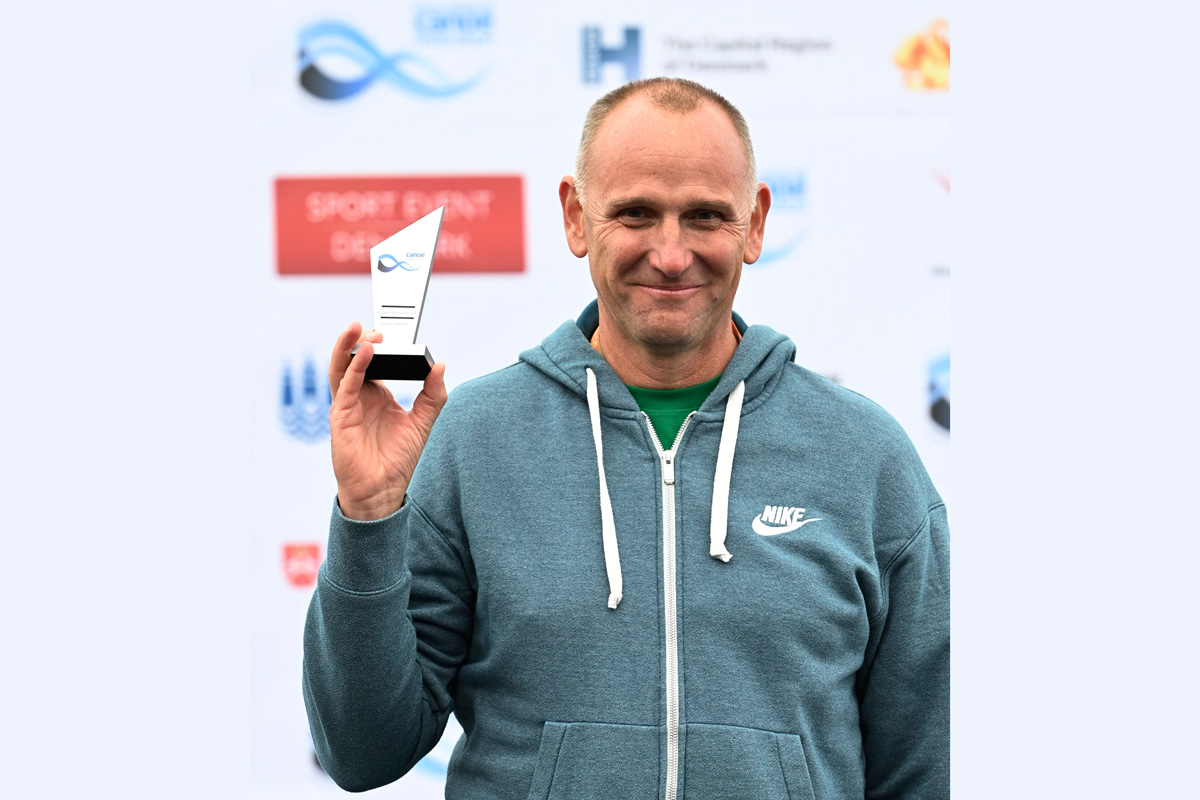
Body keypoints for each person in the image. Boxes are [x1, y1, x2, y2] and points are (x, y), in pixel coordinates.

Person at [303, 77, 949, 799]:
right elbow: (361, 750)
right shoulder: (475, 441)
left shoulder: (863, 457)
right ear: (576, 218)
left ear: (756, 223)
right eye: (636, 214)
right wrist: (369, 515)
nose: (670, 255)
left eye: (705, 216)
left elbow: (931, 769)